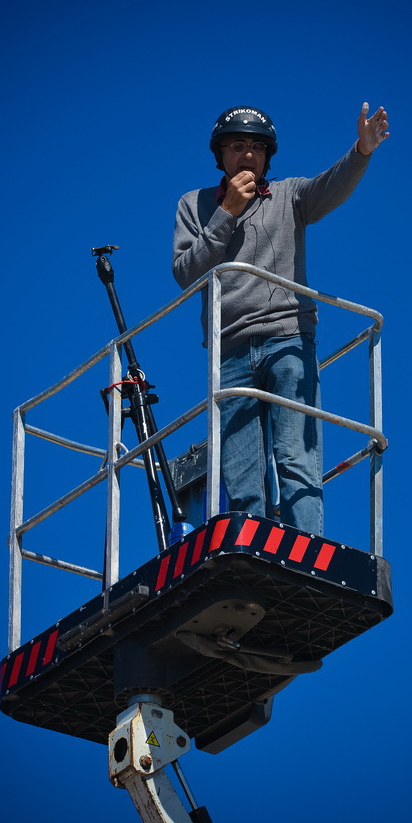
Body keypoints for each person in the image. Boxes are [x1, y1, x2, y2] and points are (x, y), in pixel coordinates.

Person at [172, 102, 389, 535]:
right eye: (237, 145)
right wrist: (227, 212)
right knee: (241, 471)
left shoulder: (291, 195)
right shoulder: (194, 205)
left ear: (269, 155)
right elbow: (186, 273)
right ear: (221, 155)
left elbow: (331, 185)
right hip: (229, 350)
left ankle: (307, 548)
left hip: (287, 340)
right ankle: (252, 552)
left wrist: (362, 151)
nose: (248, 153)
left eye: (257, 145)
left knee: (296, 458)